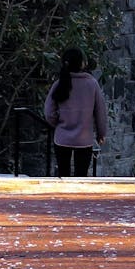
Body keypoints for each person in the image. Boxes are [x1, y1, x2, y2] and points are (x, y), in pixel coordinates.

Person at [44, 47, 107, 177]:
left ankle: (63, 197)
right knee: (81, 176)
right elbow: (100, 111)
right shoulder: (92, 83)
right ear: (82, 63)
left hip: (62, 137)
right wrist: (101, 133)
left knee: (63, 174)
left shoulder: (59, 83)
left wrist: (58, 123)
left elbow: (49, 112)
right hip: (84, 139)